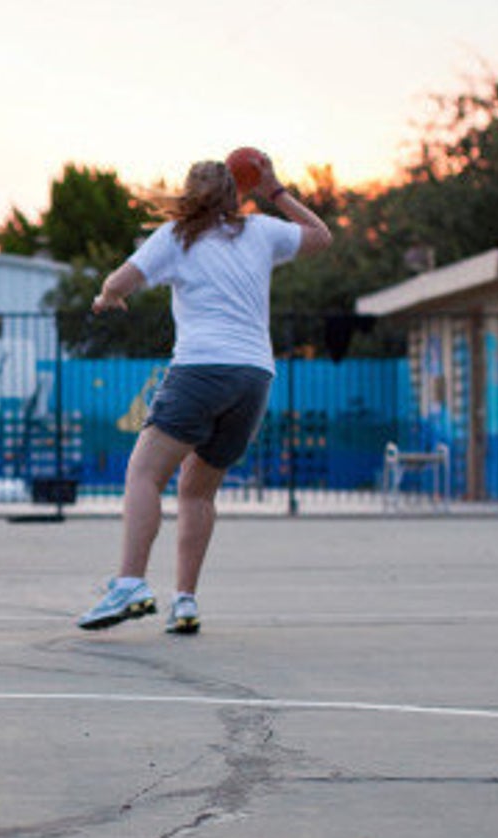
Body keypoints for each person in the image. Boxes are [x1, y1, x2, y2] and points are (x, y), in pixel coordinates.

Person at [77, 153, 330, 635]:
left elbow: (117, 280)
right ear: (239, 194)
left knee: (144, 474)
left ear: (190, 194)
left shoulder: (174, 238)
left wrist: (108, 297)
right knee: (197, 491)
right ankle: (186, 601)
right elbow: (322, 236)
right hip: (254, 377)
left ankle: (130, 583)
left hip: (200, 369)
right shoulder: (261, 232)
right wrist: (276, 191)